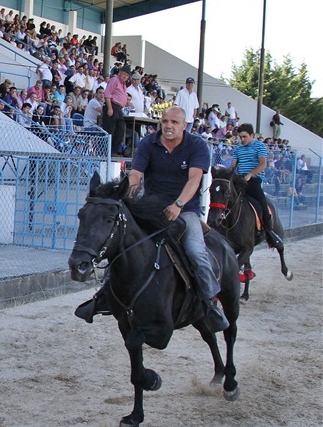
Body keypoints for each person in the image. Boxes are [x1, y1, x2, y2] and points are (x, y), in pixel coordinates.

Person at [128, 105, 229, 332]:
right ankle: (104, 294)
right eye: (165, 121)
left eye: (174, 122)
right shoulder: (148, 143)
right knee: (125, 239)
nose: (168, 126)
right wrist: (132, 196)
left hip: (186, 209)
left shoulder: (197, 146)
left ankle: (211, 302)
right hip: (151, 208)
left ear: (185, 125)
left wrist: (178, 205)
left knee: (195, 251)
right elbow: (135, 173)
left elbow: (194, 179)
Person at [230, 123, 282, 247]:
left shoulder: (260, 146)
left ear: (252, 135)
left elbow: (263, 164)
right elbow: (233, 166)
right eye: (240, 137)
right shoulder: (238, 149)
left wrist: (251, 174)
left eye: (244, 137)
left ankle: (269, 232)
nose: (242, 139)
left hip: (253, 180)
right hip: (240, 179)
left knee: (263, 204)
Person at [103, 64, 130, 155]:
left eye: (127, 75)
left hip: (119, 108)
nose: (125, 76)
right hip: (112, 105)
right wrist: (110, 108)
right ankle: (108, 151)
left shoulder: (123, 84)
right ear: (120, 72)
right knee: (111, 129)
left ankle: (114, 150)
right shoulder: (114, 80)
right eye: (124, 74)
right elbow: (107, 94)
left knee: (120, 129)